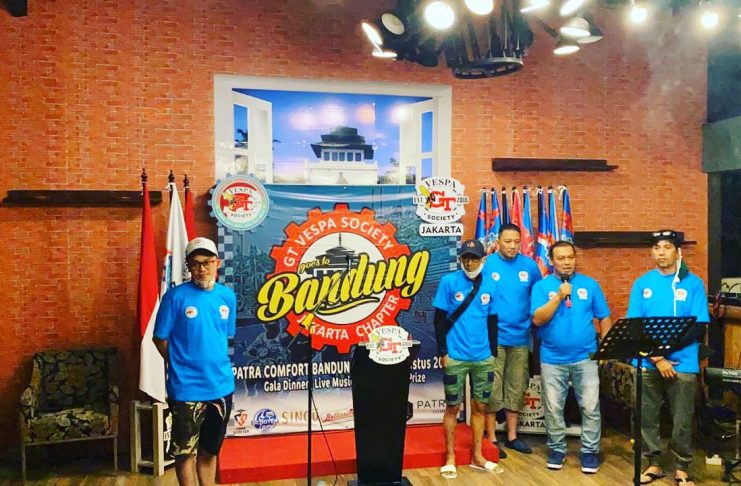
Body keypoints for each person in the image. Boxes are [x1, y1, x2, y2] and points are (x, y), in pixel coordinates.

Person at [153, 237, 237, 486]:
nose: (202, 269)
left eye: (207, 262)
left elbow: (223, 336)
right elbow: (159, 338)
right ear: (188, 266)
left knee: (210, 451)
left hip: (220, 387)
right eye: (196, 263)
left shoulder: (227, 297)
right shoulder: (174, 297)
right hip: (186, 390)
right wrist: (179, 363)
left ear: (217, 263)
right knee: (184, 452)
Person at [628, 230, 709, 486]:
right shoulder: (642, 284)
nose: (661, 253)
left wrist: (665, 353)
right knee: (646, 416)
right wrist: (657, 358)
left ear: (677, 251)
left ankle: (682, 466)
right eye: (656, 248)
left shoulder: (693, 283)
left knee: (682, 419)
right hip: (647, 362)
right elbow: (634, 327)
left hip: (683, 362)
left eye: (666, 247)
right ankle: (652, 462)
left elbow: (698, 327)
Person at [531, 240, 612, 474]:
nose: (566, 262)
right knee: (553, 407)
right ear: (551, 261)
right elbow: (538, 319)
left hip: (585, 357)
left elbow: (604, 317)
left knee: (590, 406)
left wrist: (606, 348)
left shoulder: (590, 284)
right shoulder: (541, 287)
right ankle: (557, 449)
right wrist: (558, 297)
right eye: (561, 258)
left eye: (570, 257)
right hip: (552, 358)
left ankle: (590, 451)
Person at [433, 239, 501, 479]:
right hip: (455, 356)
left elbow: (492, 320)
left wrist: (492, 352)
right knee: (453, 407)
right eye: (465, 258)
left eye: (474, 258)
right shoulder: (448, 282)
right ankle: (450, 456)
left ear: (484, 259)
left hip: (483, 357)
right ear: (460, 259)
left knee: (480, 406)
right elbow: (438, 321)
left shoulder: (491, 284)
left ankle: (478, 456)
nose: (470, 262)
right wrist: (443, 352)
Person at [483, 223, 542, 457]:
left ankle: (512, 436)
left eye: (517, 242)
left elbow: (538, 297)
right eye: (507, 241)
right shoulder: (487, 265)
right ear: (498, 241)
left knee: (516, 386)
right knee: (493, 387)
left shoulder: (530, 266)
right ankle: (491, 438)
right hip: (494, 337)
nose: (512, 246)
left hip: (521, 337)